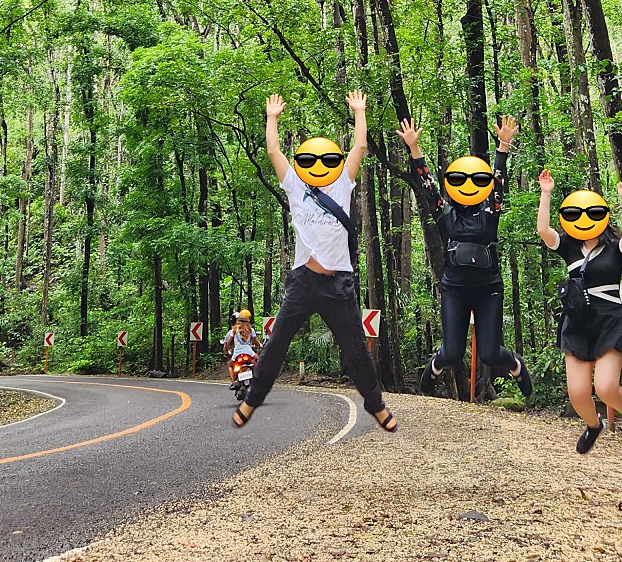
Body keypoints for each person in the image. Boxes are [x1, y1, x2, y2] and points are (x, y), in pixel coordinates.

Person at [234, 91, 397, 433]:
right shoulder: (295, 186)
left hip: (338, 283)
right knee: (276, 343)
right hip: (303, 281)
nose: (317, 166)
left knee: (355, 351)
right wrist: (272, 117)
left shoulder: (342, 185)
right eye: (309, 161)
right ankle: (251, 399)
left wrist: (359, 111)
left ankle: (377, 405)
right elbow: (273, 152)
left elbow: (360, 148)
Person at [403, 113, 532, 400]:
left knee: (489, 352)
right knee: (451, 352)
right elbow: (427, 186)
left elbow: (497, 180)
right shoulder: (445, 214)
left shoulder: (490, 213)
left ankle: (516, 366)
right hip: (455, 289)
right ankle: (434, 367)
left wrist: (503, 147)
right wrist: (415, 149)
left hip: (488, 289)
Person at [536, 167, 622, 453]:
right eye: (577, 214)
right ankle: (593, 425)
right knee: (577, 394)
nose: (584, 220)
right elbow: (543, 230)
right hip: (577, 324)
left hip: (609, 321)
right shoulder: (568, 247)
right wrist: (546, 192)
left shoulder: (615, 248)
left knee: (606, 387)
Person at [222, 309, 260, 380]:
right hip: (249, 352)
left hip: (237, 353)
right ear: (249, 318)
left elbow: (228, 343)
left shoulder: (234, 330)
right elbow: (256, 342)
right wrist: (259, 345)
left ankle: (233, 382)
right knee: (259, 362)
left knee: (230, 365)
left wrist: (226, 350)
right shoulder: (251, 330)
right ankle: (258, 379)